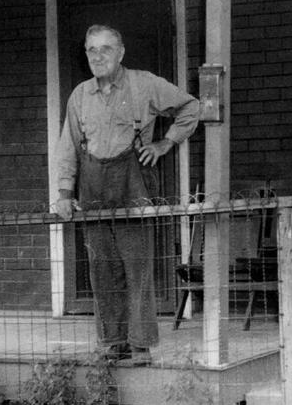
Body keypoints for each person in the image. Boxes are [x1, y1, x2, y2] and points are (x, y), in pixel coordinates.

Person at [54, 24, 200, 365]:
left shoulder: (144, 84)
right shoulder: (80, 95)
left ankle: (140, 346)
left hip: (132, 185)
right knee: (101, 268)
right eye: (92, 50)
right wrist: (64, 192)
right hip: (92, 188)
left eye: (106, 49)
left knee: (137, 267)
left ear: (121, 53)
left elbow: (191, 107)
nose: (98, 56)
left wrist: (165, 143)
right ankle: (111, 343)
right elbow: (68, 147)